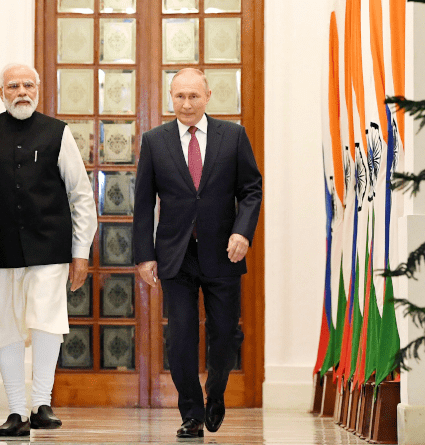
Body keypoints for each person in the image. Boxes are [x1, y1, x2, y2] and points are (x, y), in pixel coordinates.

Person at [0, 63, 97, 437]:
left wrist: (81, 251)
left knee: (46, 322)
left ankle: (41, 403)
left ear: (39, 89)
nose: (22, 91)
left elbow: (81, 195)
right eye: (13, 86)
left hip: (49, 246)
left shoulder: (57, 133)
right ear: (2, 93)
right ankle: (16, 411)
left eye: (29, 84)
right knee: (4, 327)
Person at [133, 68, 262, 439]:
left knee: (223, 334)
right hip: (175, 254)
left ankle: (216, 392)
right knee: (181, 337)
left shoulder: (233, 136)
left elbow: (252, 189)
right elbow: (143, 203)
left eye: (193, 96)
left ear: (208, 96)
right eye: (179, 97)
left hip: (225, 252)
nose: (186, 104)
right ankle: (191, 412)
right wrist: (145, 255)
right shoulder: (155, 141)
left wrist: (243, 232)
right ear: (170, 97)